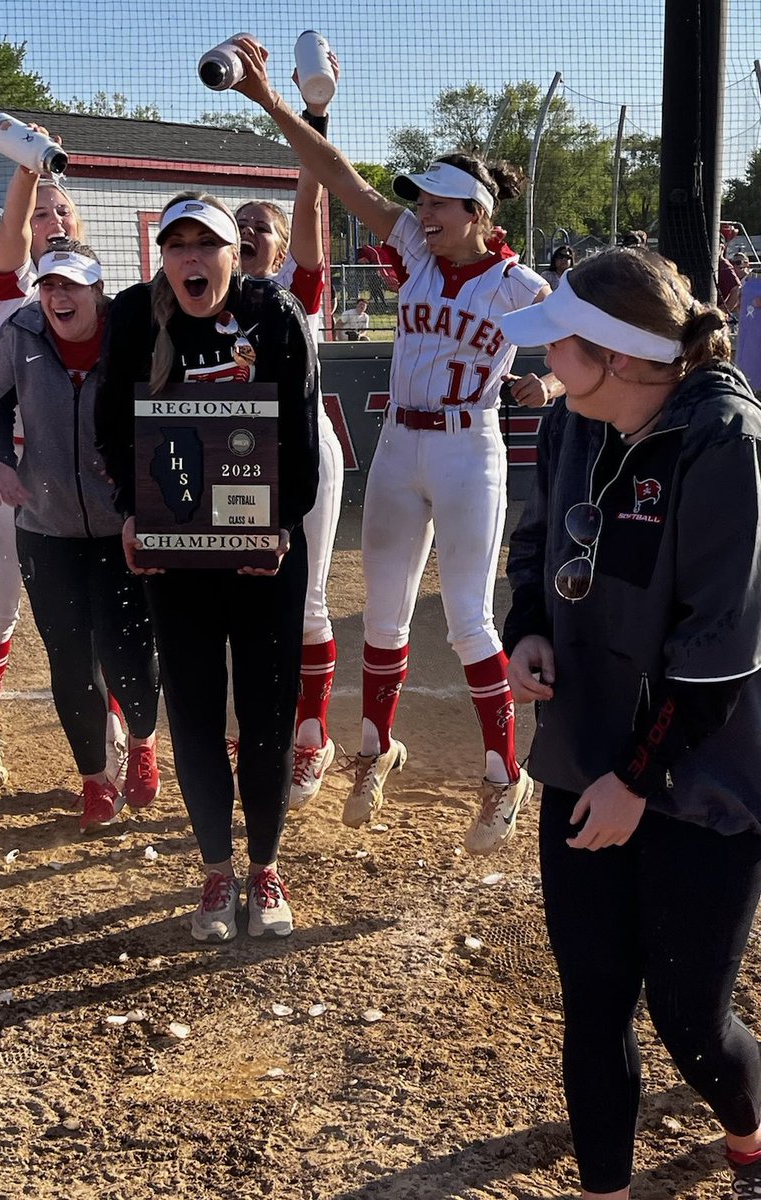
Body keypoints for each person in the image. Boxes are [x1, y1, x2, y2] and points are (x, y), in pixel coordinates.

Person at [231, 37, 563, 852]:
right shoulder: (413, 250)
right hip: (397, 450)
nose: (420, 212)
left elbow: (577, 348)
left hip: (465, 450)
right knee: (381, 618)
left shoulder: (518, 285)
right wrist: (276, 107)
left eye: (436, 204)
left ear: (477, 215)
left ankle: (500, 774)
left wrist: (548, 386)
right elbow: (338, 175)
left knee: (466, 622)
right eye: (419, 201)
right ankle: (375, 748)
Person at [501, 248, 761, 1200]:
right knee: (594, 1003)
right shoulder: (575, 421)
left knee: (689, 1018)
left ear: (609, 356)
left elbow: (718, 655)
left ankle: (749, 1137)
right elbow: (535, 545)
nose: (543, 369)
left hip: (702, 782)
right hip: (585, 761)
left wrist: (635, 782)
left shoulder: (724, 440)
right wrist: (528, 626)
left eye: (557, 351)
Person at [95, 193, 318, 941]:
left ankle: (264, 866)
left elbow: (299, 429)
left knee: (265, 712)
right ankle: (217, 868)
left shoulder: (274, 313)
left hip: (264, 551)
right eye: (176, 245)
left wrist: (283, 527)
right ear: (162, 255)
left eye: (207, 245)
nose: (192, 260)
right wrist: (132, 511)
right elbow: (111, 427)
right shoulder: (132, 316)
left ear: (234, 251)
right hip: (177, 548)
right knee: (192, 710)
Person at [0, 132, 126, 790]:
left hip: (67, 465)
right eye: (39, 214)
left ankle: (110, 721)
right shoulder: (8, 291)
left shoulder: (91, 292)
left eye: (63, 213)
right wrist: (28, 169)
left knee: (97, 606)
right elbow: (11, 235)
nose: (52, 222)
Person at [0, 241, 160, 829]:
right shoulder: (21, 332)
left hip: (123, 524)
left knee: (126, 644)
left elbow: (169, 404)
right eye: (50, 285)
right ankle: (93, 777)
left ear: (98, 291)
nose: (59, 296)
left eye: (72, 286)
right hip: (45, 524)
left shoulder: (130, 333)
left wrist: (144, 481)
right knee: (70, 656)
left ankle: (144, 741)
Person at [233, 57, 342, 811]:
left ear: (276, 249)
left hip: (304, 457)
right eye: (235, 228)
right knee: (241, 600)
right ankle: (249, 732)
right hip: (233, 459)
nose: (246, 237)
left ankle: (312, 737)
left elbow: (309, 198)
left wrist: (311, 121)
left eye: (256, 231)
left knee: (306, 603)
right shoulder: (202, 299)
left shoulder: (293, 291)